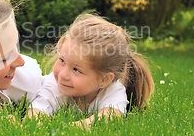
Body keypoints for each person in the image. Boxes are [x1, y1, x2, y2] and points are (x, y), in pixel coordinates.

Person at [26, 14, 154, 129]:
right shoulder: (55, 83)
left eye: (76, 70)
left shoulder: (112, 91)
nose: (63, 75)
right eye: (62, 60)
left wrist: (69, 128)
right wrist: (37, 122)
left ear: (104, 80)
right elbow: (36, 111)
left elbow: (110, 118)